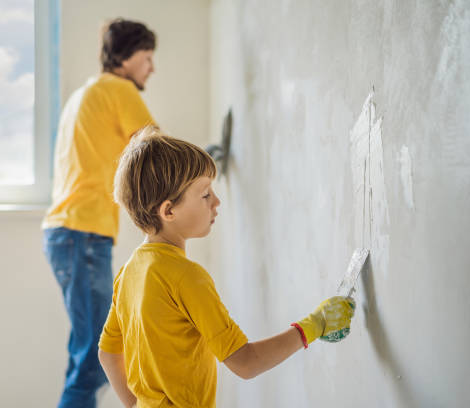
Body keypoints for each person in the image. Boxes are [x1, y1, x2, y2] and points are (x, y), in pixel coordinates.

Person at [97, 127, 356, 408]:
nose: (217, 202)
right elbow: (246, 363)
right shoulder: (186, 277)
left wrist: (135, 405)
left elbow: (108, 354)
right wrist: (316, 324)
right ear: (168, 211)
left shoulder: (129, 272)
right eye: (205, 194)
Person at [42, 19, 157, 408]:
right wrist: (204, 165)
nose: (151, 68)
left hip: (67, 234)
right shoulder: (117, 89)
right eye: (147, 57)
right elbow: (158, 151)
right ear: (125, 58)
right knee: (96, 356)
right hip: (82, 234)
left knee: (88, 352)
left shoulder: (84, 94)